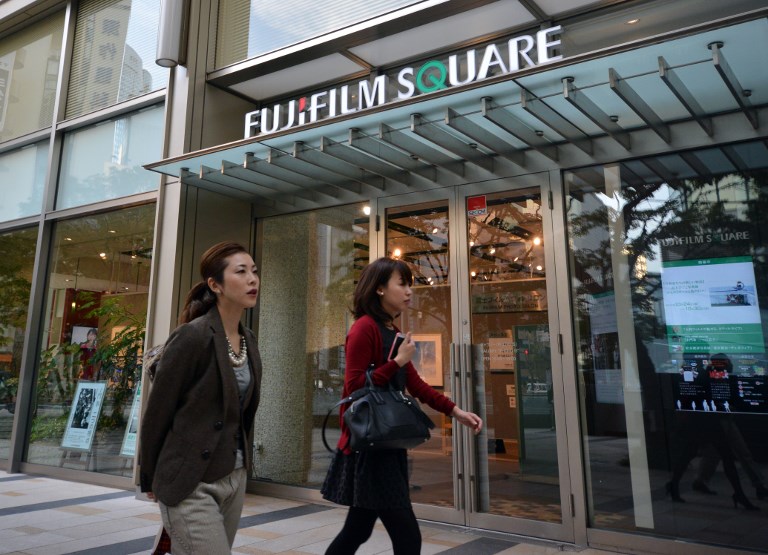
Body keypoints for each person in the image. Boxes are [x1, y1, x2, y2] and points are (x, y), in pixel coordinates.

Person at [321, 257, 483, 555]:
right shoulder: (363, 329)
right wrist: (396, 362)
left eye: (410, 284)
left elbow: (415, 384)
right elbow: (354, 387)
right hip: (370, 448)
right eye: (402, 284)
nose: (409, 291)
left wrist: (455, 411)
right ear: (380, 288)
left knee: (357, 531)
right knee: (407, 536)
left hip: (386, 443)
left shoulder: (391, 330)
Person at [139, 241, 263, 554]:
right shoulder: (192, 336)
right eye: (241, 272)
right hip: (190, 481)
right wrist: (149, 477)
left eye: (254, 271)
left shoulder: (248, 340)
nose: (252, 279)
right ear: (215, 284)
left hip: (234, 477)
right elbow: (158, 412)